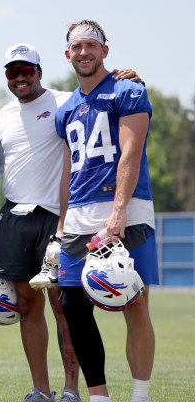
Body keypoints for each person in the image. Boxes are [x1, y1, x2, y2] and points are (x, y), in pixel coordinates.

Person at [55, 20, 157, 402]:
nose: (84, 52)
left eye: (91, 46)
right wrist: (61, 224)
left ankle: (140, 396)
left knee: (134, 301)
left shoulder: (127, 91)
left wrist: (118, 213)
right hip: (80, 217)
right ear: (68, 55)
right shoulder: (67, 109)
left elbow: (130, 153)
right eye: (77, 47)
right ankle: (98, 396)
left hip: (126, 209)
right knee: (72, 306)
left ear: (104, 51)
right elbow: (68, 172)